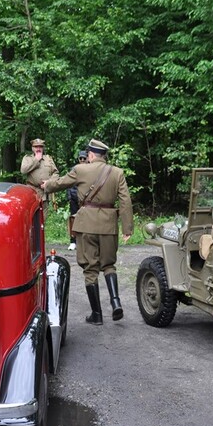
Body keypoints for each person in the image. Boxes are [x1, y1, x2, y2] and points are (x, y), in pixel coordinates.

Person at [42, 139, 133, 325]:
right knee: (109, 265)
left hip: (86, 225)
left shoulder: (80, 169)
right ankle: (116, 302)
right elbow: (125, 201)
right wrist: (127, 228)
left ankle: (97, 315)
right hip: (108, 226)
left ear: (90, 155)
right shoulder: (117, 173)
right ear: (103, 155)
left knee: (90, 269)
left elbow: (61, 183)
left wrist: (47, 185)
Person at [20, 138, 59, 205]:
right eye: (36, 147)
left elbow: (56, 173)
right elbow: (23, 170)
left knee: (44, 215)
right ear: (32, 148)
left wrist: (49, 182)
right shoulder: (27, 158)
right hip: (32, 193)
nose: (38, 149)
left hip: (45, 194)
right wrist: (36, 160)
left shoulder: (48, 158)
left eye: (40, 146)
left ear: (43, 148)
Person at [66, 150, 89, 250]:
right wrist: (69, 196)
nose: (83, 160)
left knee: (87, 220)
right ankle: (73, 241)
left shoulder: (91, 169)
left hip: (87, 198)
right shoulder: (74, 169)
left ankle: (86, 241)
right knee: (73, 220)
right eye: (81, 158)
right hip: (74, 197)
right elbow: (68, 182)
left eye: (84, 158)